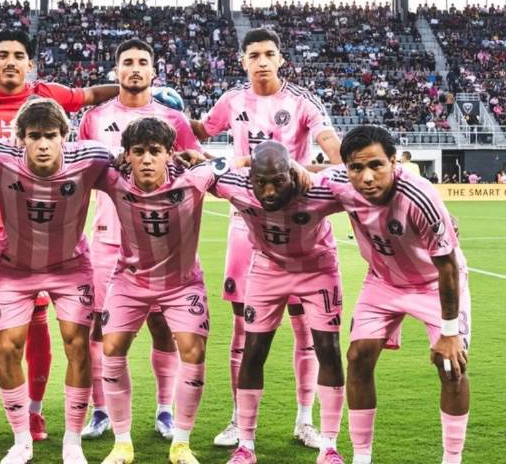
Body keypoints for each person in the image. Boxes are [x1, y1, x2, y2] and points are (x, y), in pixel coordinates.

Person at [0, 29, 120, 440]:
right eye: (2, 54)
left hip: (40, 233)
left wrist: (135, 85)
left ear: (30, 63)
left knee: (37, 324)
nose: (10, 61)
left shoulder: (48, 96)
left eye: (18, 55)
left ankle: (35, 411)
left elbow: (91, 95)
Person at [191, 27, 342, 448]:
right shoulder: (232, 101)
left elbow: (330, 142)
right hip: (248, 223)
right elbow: (200, 131)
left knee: (306, 330)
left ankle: (305, 420)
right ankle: (240, 420)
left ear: (281, 59)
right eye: (253, 54)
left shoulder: (301, 103)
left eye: (269, 53)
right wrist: (166, 120)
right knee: (242, 327)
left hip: (298, 222)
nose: (261, 60)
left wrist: (340, 166)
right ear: (242, 61)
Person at [321, 126, 471, 464]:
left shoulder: (419, 196)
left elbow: (447, 266)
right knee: (358, 357)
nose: (367, 177)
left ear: (393, 162)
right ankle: (361, 457)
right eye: (356, 168)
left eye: (376, 165)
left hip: (434, 282)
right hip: (383, 281)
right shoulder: (340, 183)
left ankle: (452, 459)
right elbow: (305, 175)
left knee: (452, 366)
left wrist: (449, 335)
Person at [76, 38, 202, 441]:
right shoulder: (94, 118)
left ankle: (165, 409)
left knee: (164, 326)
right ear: (116, 71)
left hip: (164, 245)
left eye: (142, 63)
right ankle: (101, 410)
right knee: (100, 328)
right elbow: (79, 174)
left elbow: (194, 167)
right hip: (107, 237)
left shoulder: (174, 121)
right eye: (127, 62)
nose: (134, 69)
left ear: (153, 71)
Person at [0, 99, 112, 464]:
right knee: (9, 348)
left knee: (77, 345)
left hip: (70, 267)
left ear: (63, 138)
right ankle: (21, 439)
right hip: (16, 267)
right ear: (19, 139)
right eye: (34, 136)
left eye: (50, 136)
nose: (42, 144)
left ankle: (73, 441)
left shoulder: (92, 158)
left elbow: (131, 159)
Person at [95, 117, 225, 464]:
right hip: (130, 280)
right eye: (139, 152)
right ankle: (122, 443)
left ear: (170, 153)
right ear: (128, 156)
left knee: (192, 351)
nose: (147, 159)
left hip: (181, 284)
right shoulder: (113, 180)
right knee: (111, 346)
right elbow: (83, 156)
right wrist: (111, 156)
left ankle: (181, 444)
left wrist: (205, 159)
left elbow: (236, 165)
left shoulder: (194, 180)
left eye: (155, 151)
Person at [212, 141, 346, 464]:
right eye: (261, 182)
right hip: (267, 269)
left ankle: (329, 446)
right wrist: (238, 160)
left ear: (292, 173)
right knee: (253, 350)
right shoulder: (237, 186)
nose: (269, 191)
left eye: (278, 181)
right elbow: (204, 169)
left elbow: (356, 176)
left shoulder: (319, 191)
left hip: (317, 269)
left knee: (328, 349)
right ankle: (245, 445)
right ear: (250, 177)